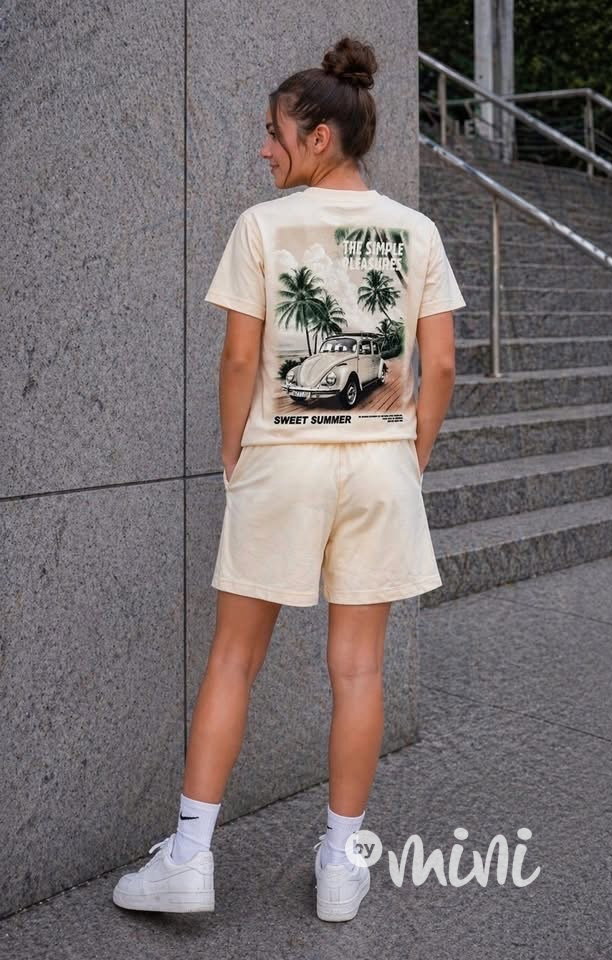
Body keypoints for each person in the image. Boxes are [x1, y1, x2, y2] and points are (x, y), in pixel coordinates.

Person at [112, 34, 466, 922]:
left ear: (317, 137)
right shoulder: (416, 231)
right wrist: (409, 455)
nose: (263, 148)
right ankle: (341, 865)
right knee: (359, 668)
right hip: (380, 463)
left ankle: (188, 856)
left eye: (273, 132)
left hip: (283, 458)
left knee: (234, 657)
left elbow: (240, 359)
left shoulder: (263, 227)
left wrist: (234, 451)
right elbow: (440, 365)